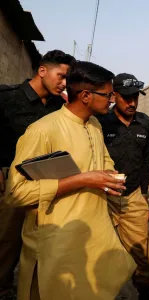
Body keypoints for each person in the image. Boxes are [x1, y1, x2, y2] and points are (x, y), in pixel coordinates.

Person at [5, 61, 136, 300]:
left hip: (92, 238)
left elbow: (104, 161)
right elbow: (15, 194)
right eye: (108, 95)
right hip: (56, 244)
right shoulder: (42, 130)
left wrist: (109, 177)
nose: (112, 100)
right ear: (86, 95)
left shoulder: (94, 125)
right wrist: (83, 179)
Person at [0, 50, 75, 300]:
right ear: (42, 70)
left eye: (68, 78)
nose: (64, 83)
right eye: (61, 76)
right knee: (6, 241)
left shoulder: (59, 106)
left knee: (39, 240)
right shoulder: (7, 98)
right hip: (10, 183)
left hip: (45, 183)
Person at [97, 73, 149, 300]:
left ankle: (144, 290)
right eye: (127, 97)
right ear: (114, 96)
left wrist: (145, 194)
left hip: (133, 198)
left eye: (135, 97)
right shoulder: (100, 122)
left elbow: (147, 160)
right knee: (101, 251)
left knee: (141, 252)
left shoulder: (145, 124)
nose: (132, 102)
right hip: (104, 198)